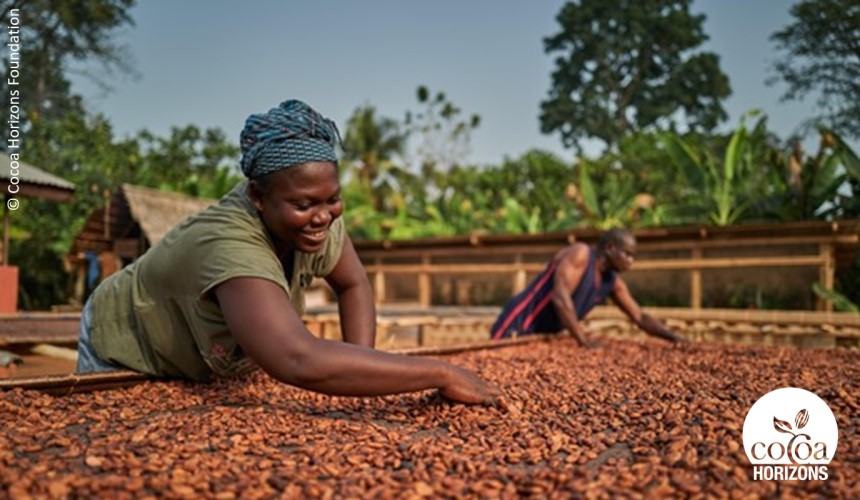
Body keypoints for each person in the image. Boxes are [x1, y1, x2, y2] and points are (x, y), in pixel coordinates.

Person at [76, 99, 500, 405]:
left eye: (332, 199)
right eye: (304, 205)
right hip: (128, 346)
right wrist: (440, 373)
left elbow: (352, 284)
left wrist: (367, 373)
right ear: (258, 196)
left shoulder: (319, 220)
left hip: (202, 365)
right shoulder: (229, 241)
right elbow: (296, 358)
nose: (323, 216)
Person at [490, 228, 684, 346]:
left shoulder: (611, 281)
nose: (630, 262)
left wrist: (675, 338)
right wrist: (583, 340)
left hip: (542, 334)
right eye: (627, 254)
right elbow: (560, 297)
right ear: (610, 248)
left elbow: (639, 317)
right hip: (518, 322)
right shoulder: (581, 255)